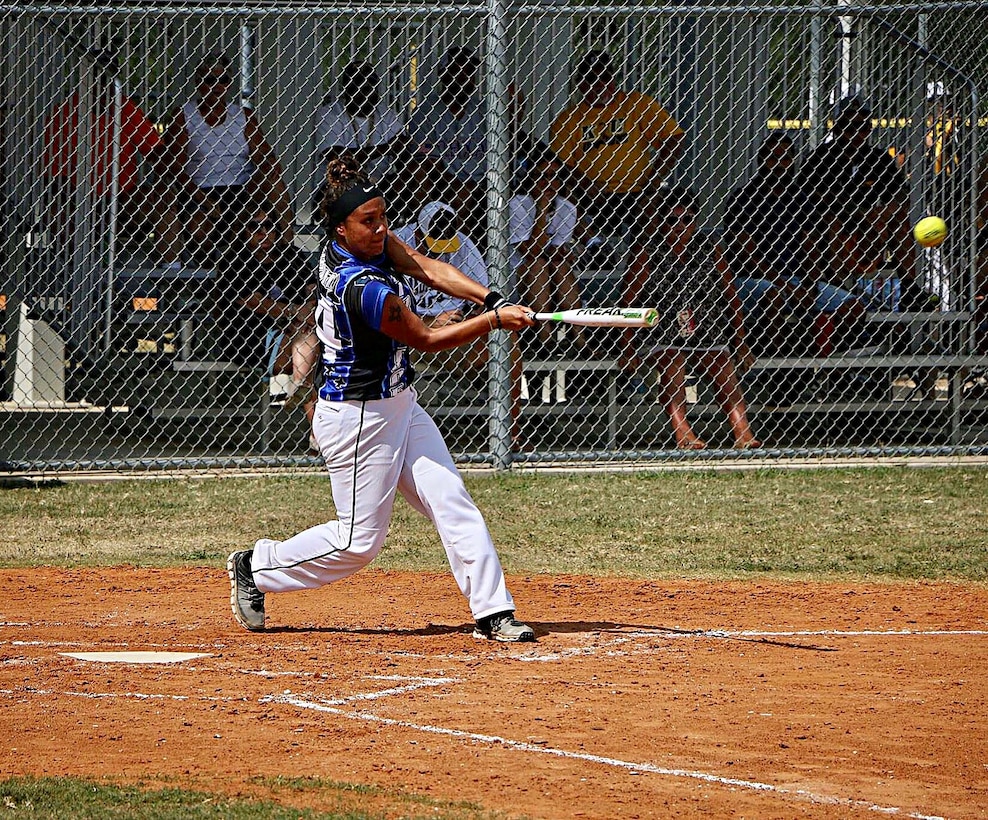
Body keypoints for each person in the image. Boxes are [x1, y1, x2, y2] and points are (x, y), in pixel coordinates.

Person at [227, 157, 538, 642]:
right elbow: (427, 340)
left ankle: (493, 612)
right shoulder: (359, 285)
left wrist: (491, 298)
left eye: (383, 218)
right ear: (339, 231)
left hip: (399, 404)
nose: (380, 229)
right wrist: (494, 322)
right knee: (357, 543)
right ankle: (257, 566)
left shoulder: (370, 243)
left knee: (451, 500)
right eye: (368, 222)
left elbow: (426, 267)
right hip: (357, 418)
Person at [621, 189, 760, 450]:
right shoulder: (649, 251)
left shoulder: (709, 248)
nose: (679, 227)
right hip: (659, 329)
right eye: (672, 221)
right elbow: (628, 303)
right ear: (662, 223)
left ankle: (742, 431)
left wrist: (740, 341)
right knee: (673, 360)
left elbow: (731, 297)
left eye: (687, 220)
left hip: (705, 327)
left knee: (721, 363)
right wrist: (628, 347)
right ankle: (683, 431)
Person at [723, 132, 868, 356]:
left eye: (785, 158)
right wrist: (785, 286)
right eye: (772, 157)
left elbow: (810, 247)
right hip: (752, 280)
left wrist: (810, 285)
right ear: (761, 160)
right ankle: (777, 370)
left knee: (853, 307)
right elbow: (747, 255)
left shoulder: (799, 198)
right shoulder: (743, 198)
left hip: (795, 279)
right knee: (774, 298)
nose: (779, 165)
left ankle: (814, 361)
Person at [157, 52, 294, 265]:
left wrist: (255, 185)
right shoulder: (184, 115)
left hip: (241, 189)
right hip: (199, 189)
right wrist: (204, 200)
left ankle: (287, 258)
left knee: (276, 184)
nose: (217, 86)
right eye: (210, 80)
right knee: (198, 225)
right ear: (199, 82)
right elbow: (173, 166)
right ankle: (201, 271)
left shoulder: (243, 116)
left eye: (223, 80)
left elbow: (267, 159)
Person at [797, 96, 928, 311]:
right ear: (837, 128)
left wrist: (881, 213)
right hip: (832, 230)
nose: (856, 134)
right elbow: (809, 197)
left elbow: (901, 196)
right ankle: (836, 287)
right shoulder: (819, 158)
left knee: (898, 218)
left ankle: (909, 289)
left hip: (869, 232)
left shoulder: (877, 158)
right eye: (849, 127)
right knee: (831, 222)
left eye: (863, 127)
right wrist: (858, 213)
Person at [43, 48, 170, 261]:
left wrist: (162, 182)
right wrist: (78, 201)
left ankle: (171, 270)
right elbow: (54, 176)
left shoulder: (125, 108)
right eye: (96, 76)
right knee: (56, 206)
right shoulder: (64, 113)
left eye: (108, 76)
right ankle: (73, 265)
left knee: (163, 199)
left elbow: (157, 153)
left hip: (123, 196)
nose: (102, 84)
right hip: (77, 196)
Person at [550, 49, 685, 236]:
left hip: (639, 191)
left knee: (658, 202)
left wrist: (654, 181)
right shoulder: (568, 119)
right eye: (591, 79)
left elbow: (674, 138)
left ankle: (645, 253)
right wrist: (585, 184)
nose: (599, 84)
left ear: (613, 79)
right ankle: (594, 247)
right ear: (580, 83)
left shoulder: (636, 103)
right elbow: (561, 164)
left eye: (605, 77)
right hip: (591, 194)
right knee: (566, 196)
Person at [217, 202, 319, 430]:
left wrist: (306, 310)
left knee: (307, 338)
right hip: (250, 339)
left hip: (295, 332)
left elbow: (313, 290)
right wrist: (296, 312)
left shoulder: (291, 256)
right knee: (308, 341)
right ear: (242, 231)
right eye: (255, 226)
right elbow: (253, 301)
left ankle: (303, 390)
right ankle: (308, 406)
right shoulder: (235, 261)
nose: (263, 232)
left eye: (268, 225)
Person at [508, 147, 587, 356]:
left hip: (552, 279)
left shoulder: (567, 207)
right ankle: (545, 337)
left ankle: (579, 337)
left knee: (558, 265)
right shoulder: (518, 205)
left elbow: (558, 253)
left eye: (554, 177)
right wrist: (542, 210)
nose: (548, 182)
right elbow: (531, 252)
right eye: (541, 176)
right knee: (539, 263)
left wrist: (553, 252)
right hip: (517, 278)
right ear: (531, 178)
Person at [406, 47, 487, 237]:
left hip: (484, 182)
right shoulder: (426, 111)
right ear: (443, 74)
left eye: (469, 73)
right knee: (456, 192)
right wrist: (457, 183)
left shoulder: (484, 110)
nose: (463, 79)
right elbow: (426, 161)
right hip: (443, 181)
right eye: (457, 72)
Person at [314, 61, 410, 211]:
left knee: (411, 176)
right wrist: (387, 148)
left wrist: (398, 149)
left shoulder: (386, 114)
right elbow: (340, 159)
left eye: (371, 85)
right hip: (340, 184)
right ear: (347, 89)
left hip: (381, 184)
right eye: (360, 85)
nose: (367, 90)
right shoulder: (330, 113)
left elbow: (404, 147)